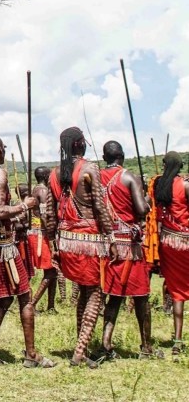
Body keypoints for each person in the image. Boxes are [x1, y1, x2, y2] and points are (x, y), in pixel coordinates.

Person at [0, 134, 53, 368]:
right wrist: (24, 206)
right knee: (25, 296)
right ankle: (31, 354)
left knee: (4, 299)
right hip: (2, 246)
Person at [46, 127, 116, 368]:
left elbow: (49, 213)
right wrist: (111, 237)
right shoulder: (89, 168)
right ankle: (79, 351)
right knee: (95, 293)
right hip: (89, 241)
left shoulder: (54, 173)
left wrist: (53, 242)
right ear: (79, 144)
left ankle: (81, 345)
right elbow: (100, 205)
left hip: (66, 241)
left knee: (85, 293)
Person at [98, 141, 161, 359]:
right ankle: (146, 346)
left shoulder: (96, 177)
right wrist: (148, 198)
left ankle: (105, 343)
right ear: (122, 156)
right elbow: (142, 210)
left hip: (108, 243)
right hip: (130, 246)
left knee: (114, 296)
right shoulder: (128, 176)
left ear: (105, 157)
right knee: (141, 296)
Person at [153, 151, 189, 357]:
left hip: (167, 243)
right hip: (185, 242)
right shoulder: (184, 185)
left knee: (177, 291)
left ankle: (177, 340)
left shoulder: (159, 186)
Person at [28, 166, 59, 313]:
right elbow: (44, 215)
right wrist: (52, 235)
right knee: (51, 272)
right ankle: (32, 304)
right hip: (42, 234)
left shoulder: (34, 189)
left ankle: (51, 306)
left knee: (53, 269)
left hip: (38, 232)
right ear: (46, 176)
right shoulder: (43, 191)